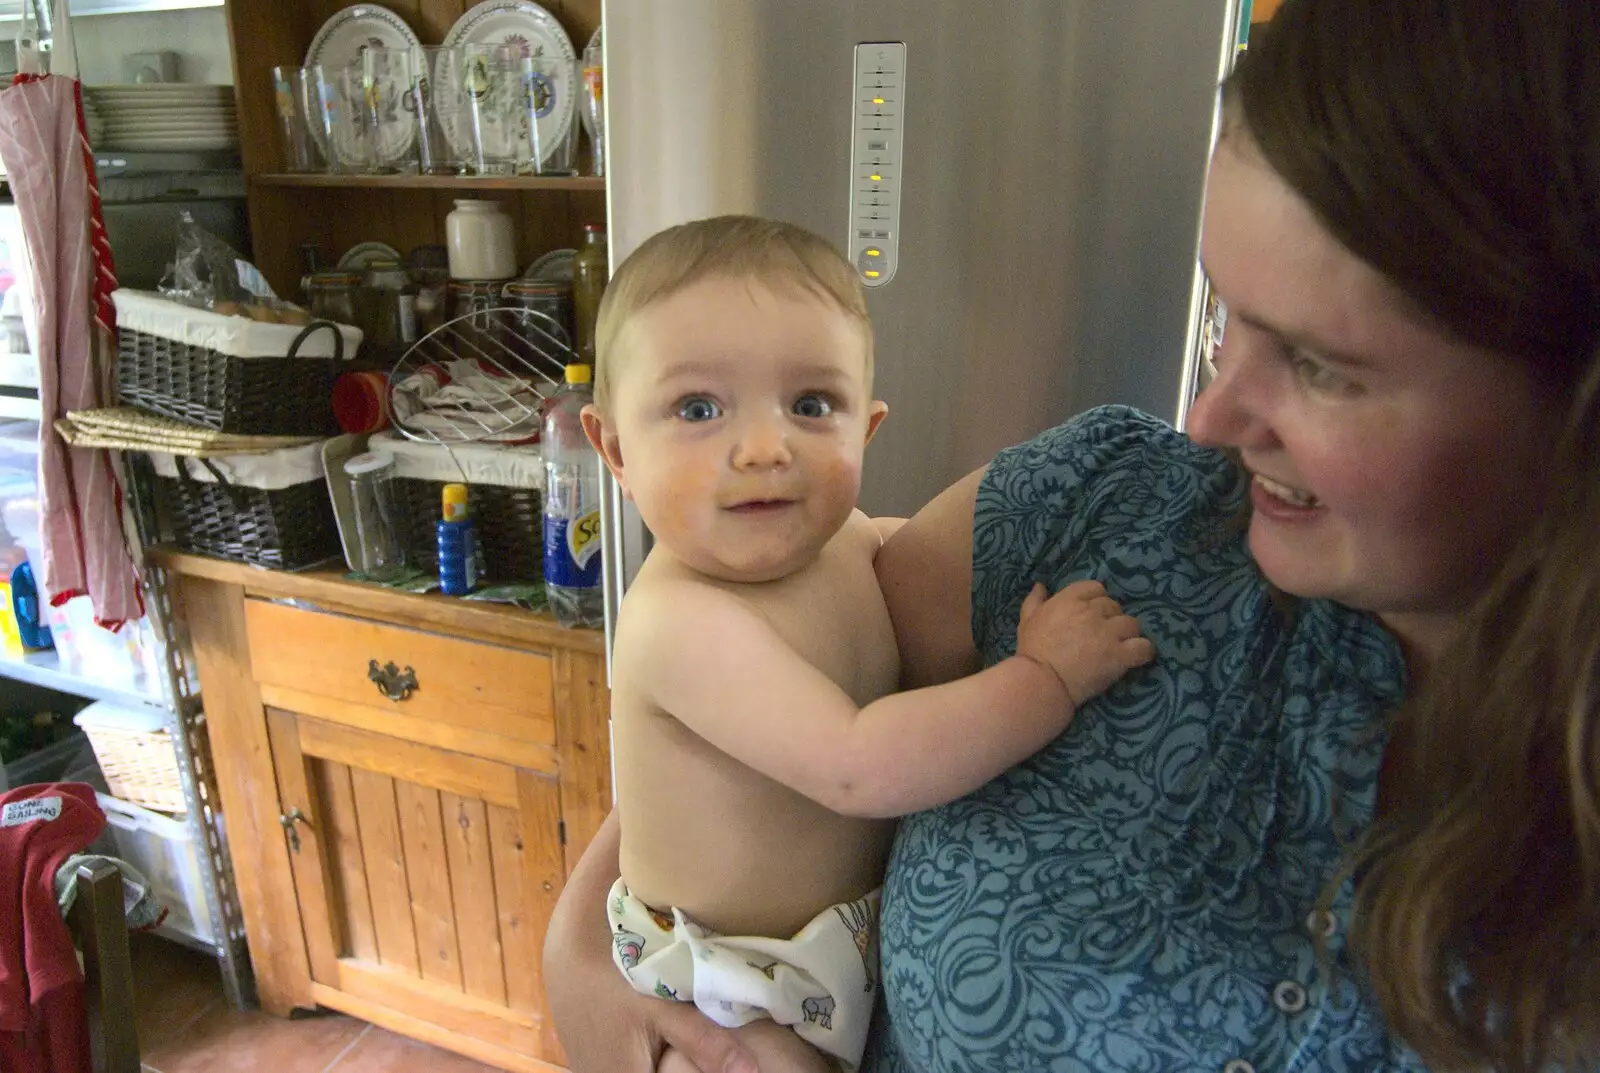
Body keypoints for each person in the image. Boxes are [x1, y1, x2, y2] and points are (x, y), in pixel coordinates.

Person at [544, 1, 1600, 1069]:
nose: (1208, 423)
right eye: (1227, 320)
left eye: (1323, 365)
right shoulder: (1107, 506)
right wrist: (584, 955)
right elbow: (780, 743)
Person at [573, 215, 1155, 1073]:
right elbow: (860, 765)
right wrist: (1046, 678)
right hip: (727, 990)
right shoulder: (681, 622)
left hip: (820, 967)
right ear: (615, 449)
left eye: (812, 405)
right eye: (698, 408)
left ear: (868, 428)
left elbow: (893, 546)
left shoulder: (850, 540)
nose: (767, 447)